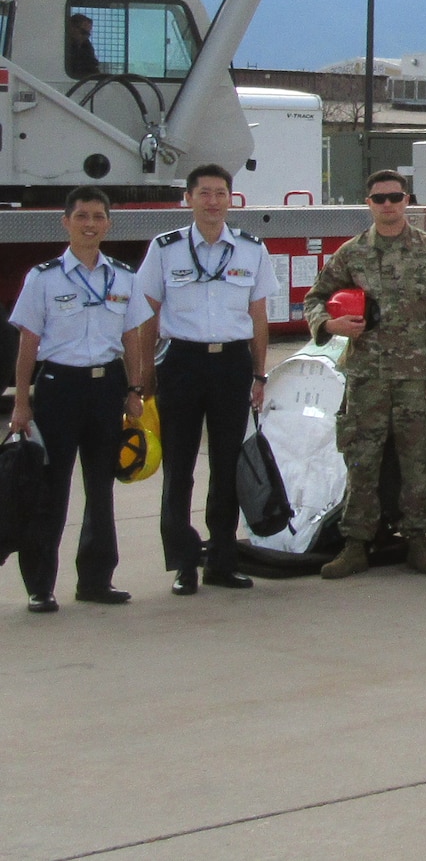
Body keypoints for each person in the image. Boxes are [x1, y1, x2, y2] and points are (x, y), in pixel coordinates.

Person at [304, 170, 426, 579]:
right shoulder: (351, 254)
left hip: (415, 377)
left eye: (395, 197)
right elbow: (314, 298)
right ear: (369, 203)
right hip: (366, 376)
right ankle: (356, 543)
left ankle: (418, 541)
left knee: (416, 461)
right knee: (361, 460)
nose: (388, 204)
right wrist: (329, 325)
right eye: (379, 198)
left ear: (407, 199)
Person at [135, 163, 277, 595]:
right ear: (188, 198)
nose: (213, 201)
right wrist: (144, 376)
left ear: (231, 199)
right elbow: (148, 315)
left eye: (220, 193)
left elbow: (258, 316)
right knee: (178, 467)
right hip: (181, 363)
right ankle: (182, 562)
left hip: (231, 364)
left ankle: (221, 560)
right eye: (204, 193)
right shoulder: (166, 248)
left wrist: (258, 373)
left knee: (226, 464)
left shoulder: (251, 249)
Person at [7, 187, 151, 612]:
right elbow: (28, 343)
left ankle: (95, 579)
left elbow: (132, 337)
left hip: (106, 388)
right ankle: (40, 586)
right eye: (82, 216)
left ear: (108, 223)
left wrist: (133, 389)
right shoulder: (43, 278)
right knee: (52, 490)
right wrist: (21, 402)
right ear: (66, 222)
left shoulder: (123, 276)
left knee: (101, 488)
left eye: (99, 216)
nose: (91, 224)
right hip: (58, 389)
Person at [65, 13, 102, 77]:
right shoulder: (63, 45)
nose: (85, 36)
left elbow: (91, 65)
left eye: (88, 34)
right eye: (83, 32)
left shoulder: (86, 47)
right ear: (72, 28)